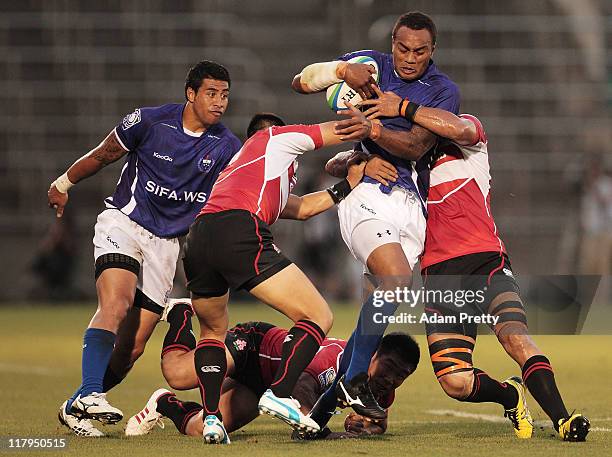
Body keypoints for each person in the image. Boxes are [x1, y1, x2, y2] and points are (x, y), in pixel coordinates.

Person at [357, 87, 591, 442]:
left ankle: (562, 419)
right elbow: (339, 163)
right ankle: (510, 395)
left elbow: (460, 129)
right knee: (454, 381)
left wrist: (403, 106)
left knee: (516, 339)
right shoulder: (407, 161)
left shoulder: (467, 134)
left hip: (485, 262)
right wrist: (362, 161)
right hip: (438, 274)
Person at [48, 61, 242, 437]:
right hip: (125, 223)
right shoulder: (150, 122)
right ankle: (90, 393)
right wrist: (63, 182)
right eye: (211, 93)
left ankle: (77, 405)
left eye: (225, 95)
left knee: (131, 350)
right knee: (116, 304)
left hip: (166, 246)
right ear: (191, 93)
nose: (219, 102)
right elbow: (105, 153)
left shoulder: (226, 147)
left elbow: (237, 197)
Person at [293, 11, 460, 424]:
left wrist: (373, 130)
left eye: (420, 51)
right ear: (391, 44)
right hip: (368, 193)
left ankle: (319, 414)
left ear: (433, 51)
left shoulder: (441, 90)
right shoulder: (371, 67)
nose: (409, 58)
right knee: (396, 281)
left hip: (411, 206)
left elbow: (417, 146)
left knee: (383, 307)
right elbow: (300, 82)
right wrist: (340, 69)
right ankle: (353, 382)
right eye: (403, 48)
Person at [180, 107, 378, 443]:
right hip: (238, 230)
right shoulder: (275, 138)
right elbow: (338, 130)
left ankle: (212, 419)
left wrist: (348, 185)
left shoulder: (243, 169)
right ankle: (280, 393)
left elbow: (300, 208)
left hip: (199, 237)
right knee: (317, 315)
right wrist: (377, 126)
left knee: (213, 331)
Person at [124, 310, 419, 440]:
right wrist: (314, 426)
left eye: (401, 376)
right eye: (389, 368)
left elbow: (378, 422)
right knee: (178, 374)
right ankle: (180, 316)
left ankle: (164, 403)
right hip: (253, 346)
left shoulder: (382, 388)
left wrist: (365, 430)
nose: (391, 379)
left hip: (264, 387)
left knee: (205, 428)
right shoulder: (336, 359)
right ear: (373, 353)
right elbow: (303, 385)